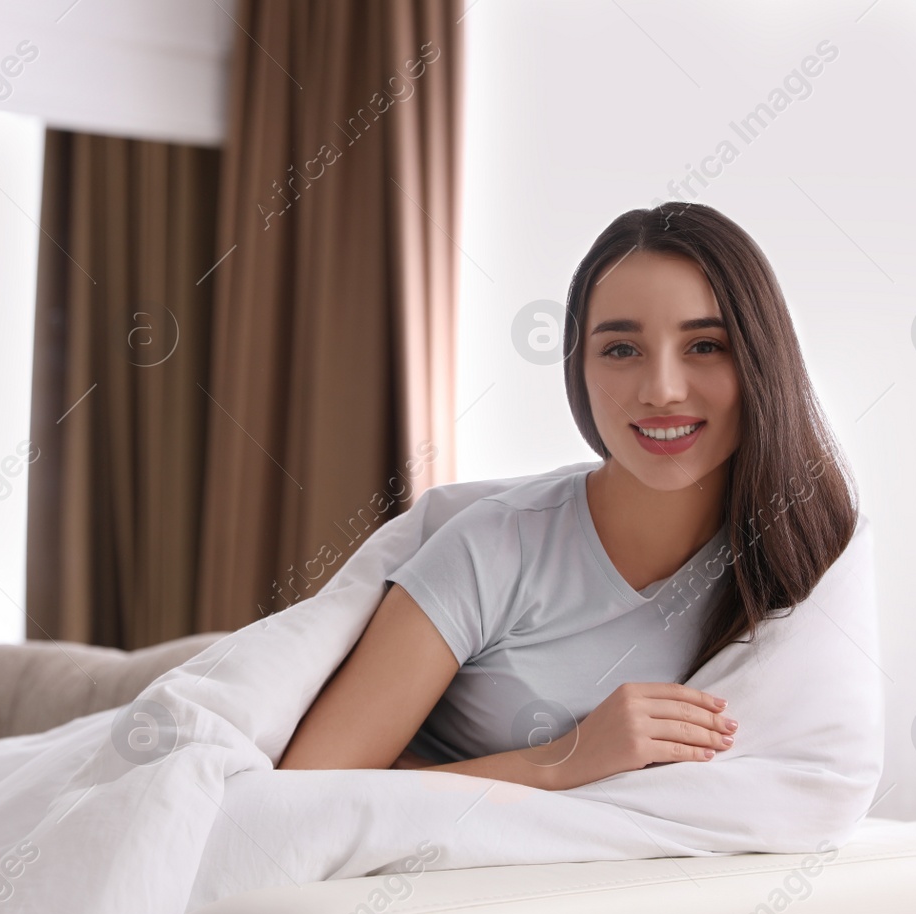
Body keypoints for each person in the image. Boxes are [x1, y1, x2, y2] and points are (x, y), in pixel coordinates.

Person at [279, 201, 858, 789]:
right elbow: (301, 793)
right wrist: (570, 758)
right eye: (622, 350)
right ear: (578, 370)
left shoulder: (804, 552)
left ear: (763, 360)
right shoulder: (492, 549)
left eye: (705, 345)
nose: (661, 390)